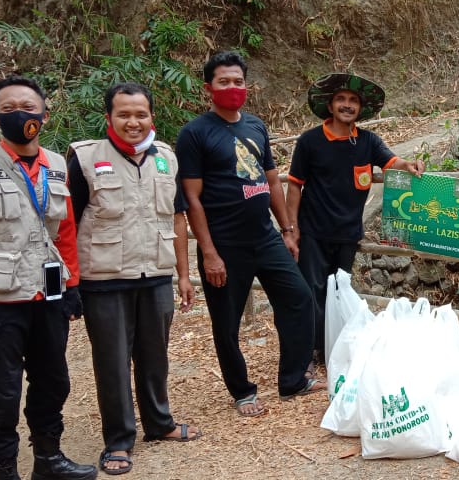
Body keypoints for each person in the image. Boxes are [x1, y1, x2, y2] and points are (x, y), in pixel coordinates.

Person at [0, 75, 97, 480]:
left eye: (27, 107)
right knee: (4, 395)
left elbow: (64, 233)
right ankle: (6, 470)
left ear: (43, 114)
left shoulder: (58, 165)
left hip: (48, 298)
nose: (19, 115)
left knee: (53, 384)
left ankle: (49, 460)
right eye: (8, 109)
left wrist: (73, 285)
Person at [175, 51, 323, 417]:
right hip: (225, 245)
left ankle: (292, 380)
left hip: (265, 237)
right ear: (209, 88)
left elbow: (272, 180)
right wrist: (208, 252)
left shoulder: (255, 126)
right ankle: (242, 391)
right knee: (227, 323)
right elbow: (192, 198)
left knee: (299, 299)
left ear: (247, 85)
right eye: (224, 81)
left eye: (238, 81)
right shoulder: (194, 134)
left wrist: (287, 229)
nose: (232, 87)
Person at [67, 82, 201, 475]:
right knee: (112, 362)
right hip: (104, 278)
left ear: (151, 117)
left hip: (156, 273)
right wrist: (71, 282)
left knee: (155, 356)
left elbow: (177, 217)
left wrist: (183, 274)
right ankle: (119, 441)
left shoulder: (166, 158)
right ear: (108, 117)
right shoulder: (85, 157)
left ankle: (159, 424)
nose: (133, 122)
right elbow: (67, 223)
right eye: (124, 114)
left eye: (140, 114)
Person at [286, 73, 424, 365]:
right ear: (330, 104)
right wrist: (292, 228)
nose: (347, 105)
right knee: (313, 292)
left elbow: (391, 162)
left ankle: (332, 350)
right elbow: (295, 184)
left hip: (347, 234)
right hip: (313, 232)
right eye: (341, 99)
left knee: (340, 292)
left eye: (353, 101)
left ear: (360, 109)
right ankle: (309, 352)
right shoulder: (310, 141)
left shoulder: (368, 142)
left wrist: (408, 164)